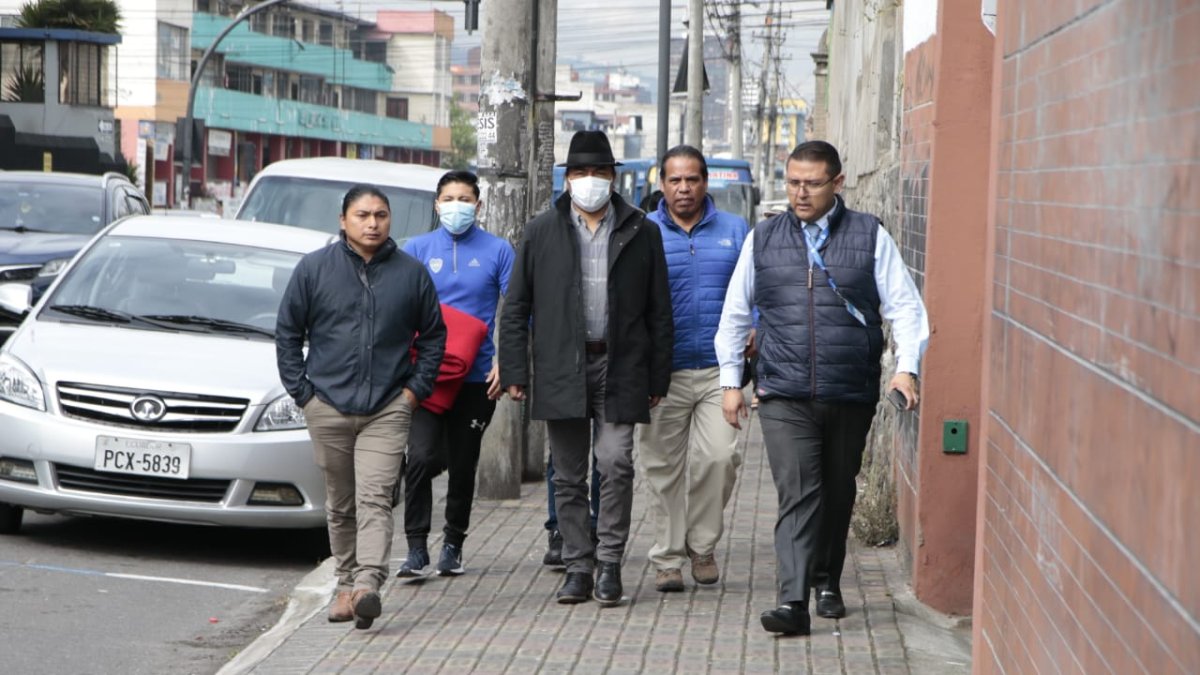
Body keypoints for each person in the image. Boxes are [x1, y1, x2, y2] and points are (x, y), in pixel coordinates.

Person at [715, 141, 928, 636]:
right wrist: (731, 382)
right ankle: (792, 600)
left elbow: (906, 308)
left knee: (836, 492)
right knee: (799, 491)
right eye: (793, 182)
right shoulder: (763, 239)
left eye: (811, 183)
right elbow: (735, 313)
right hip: (783, 391)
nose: (800, 193)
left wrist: (906, 367)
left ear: (838, 183)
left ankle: (826, 578)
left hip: (848, 390)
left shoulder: (868, 236)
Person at [499, 130, 674, 606]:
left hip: (621, 367)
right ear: (567, 178)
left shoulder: (642, 230)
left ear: (613, 177)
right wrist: (516, 370)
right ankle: (578, 564)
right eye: (580, 172)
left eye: (599, 172)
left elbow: (660, 312)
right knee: (568, 474)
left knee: (616, 462)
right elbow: (515, 307)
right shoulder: (541, 231)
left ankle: (610, 562)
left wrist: (658, 377)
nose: (590, 181)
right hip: (561, 366)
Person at [276, 184, 446, 630]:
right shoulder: (313, 269)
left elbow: (433, 338)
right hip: (326, 405)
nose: (373, 223)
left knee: (376, 497)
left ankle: (369, 584)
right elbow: (288, 335)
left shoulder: (411, 274)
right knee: (341, 502)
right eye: (363, 215)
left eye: (381, 215)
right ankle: (344, 584)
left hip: (387, 407)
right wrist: (304, 395)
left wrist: (412, 393)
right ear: (343, 220)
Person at [639, 145, 750, 592]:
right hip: (661, 372)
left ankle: (701, 546)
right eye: (675, 180)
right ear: (661, 184)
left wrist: (756, 328)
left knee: (720, 458)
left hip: (719, 372)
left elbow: (753, 289)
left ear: (706, 182)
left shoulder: (735, 230)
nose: (684, 188)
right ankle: (667, 558)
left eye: (693, 179)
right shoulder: (643, 231)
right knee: (662, 467)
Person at [397, 170, 514, 578]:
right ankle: (415, 547)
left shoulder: (499, 251)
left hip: (479, 377)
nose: (456, 206)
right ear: (436, 204)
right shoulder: (416, 249)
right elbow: (399, 310)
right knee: (421, 457)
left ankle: (453, 543)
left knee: (464, 462)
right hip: (426, 375)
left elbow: (518, 310)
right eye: (448, 198)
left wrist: (508, 360)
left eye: (465, 198)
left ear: (478, 206)